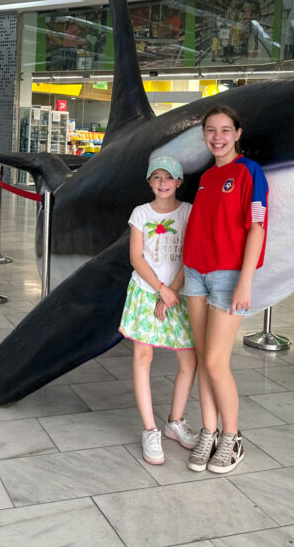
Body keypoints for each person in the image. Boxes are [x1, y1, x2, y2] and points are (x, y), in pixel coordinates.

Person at [181, 106, 268, 474]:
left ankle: (232, 437)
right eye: (211, 131)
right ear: (204, 135)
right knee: (203, 359)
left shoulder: (250, 172)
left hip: (227, 277)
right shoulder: (205, 178)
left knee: (216, 361)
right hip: (195, 274)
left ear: (237, 133)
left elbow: (258, 227)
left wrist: (245, 281)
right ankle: (209, 431)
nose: (218, 137)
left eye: (225, 130)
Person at [119, 154, 199, 465]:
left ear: (179, 182)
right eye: (157, 177)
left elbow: (189, 255)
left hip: (177, 295)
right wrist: (160, 291)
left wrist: (171, 292)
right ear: (150, 181)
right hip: (145, 292)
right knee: (143, 355)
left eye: (169, 177)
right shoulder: (140, 213)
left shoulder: (189, 213)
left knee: (188, 360)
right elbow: (136, 257)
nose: (162, 182)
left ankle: (174, 422)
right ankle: (150, 429)